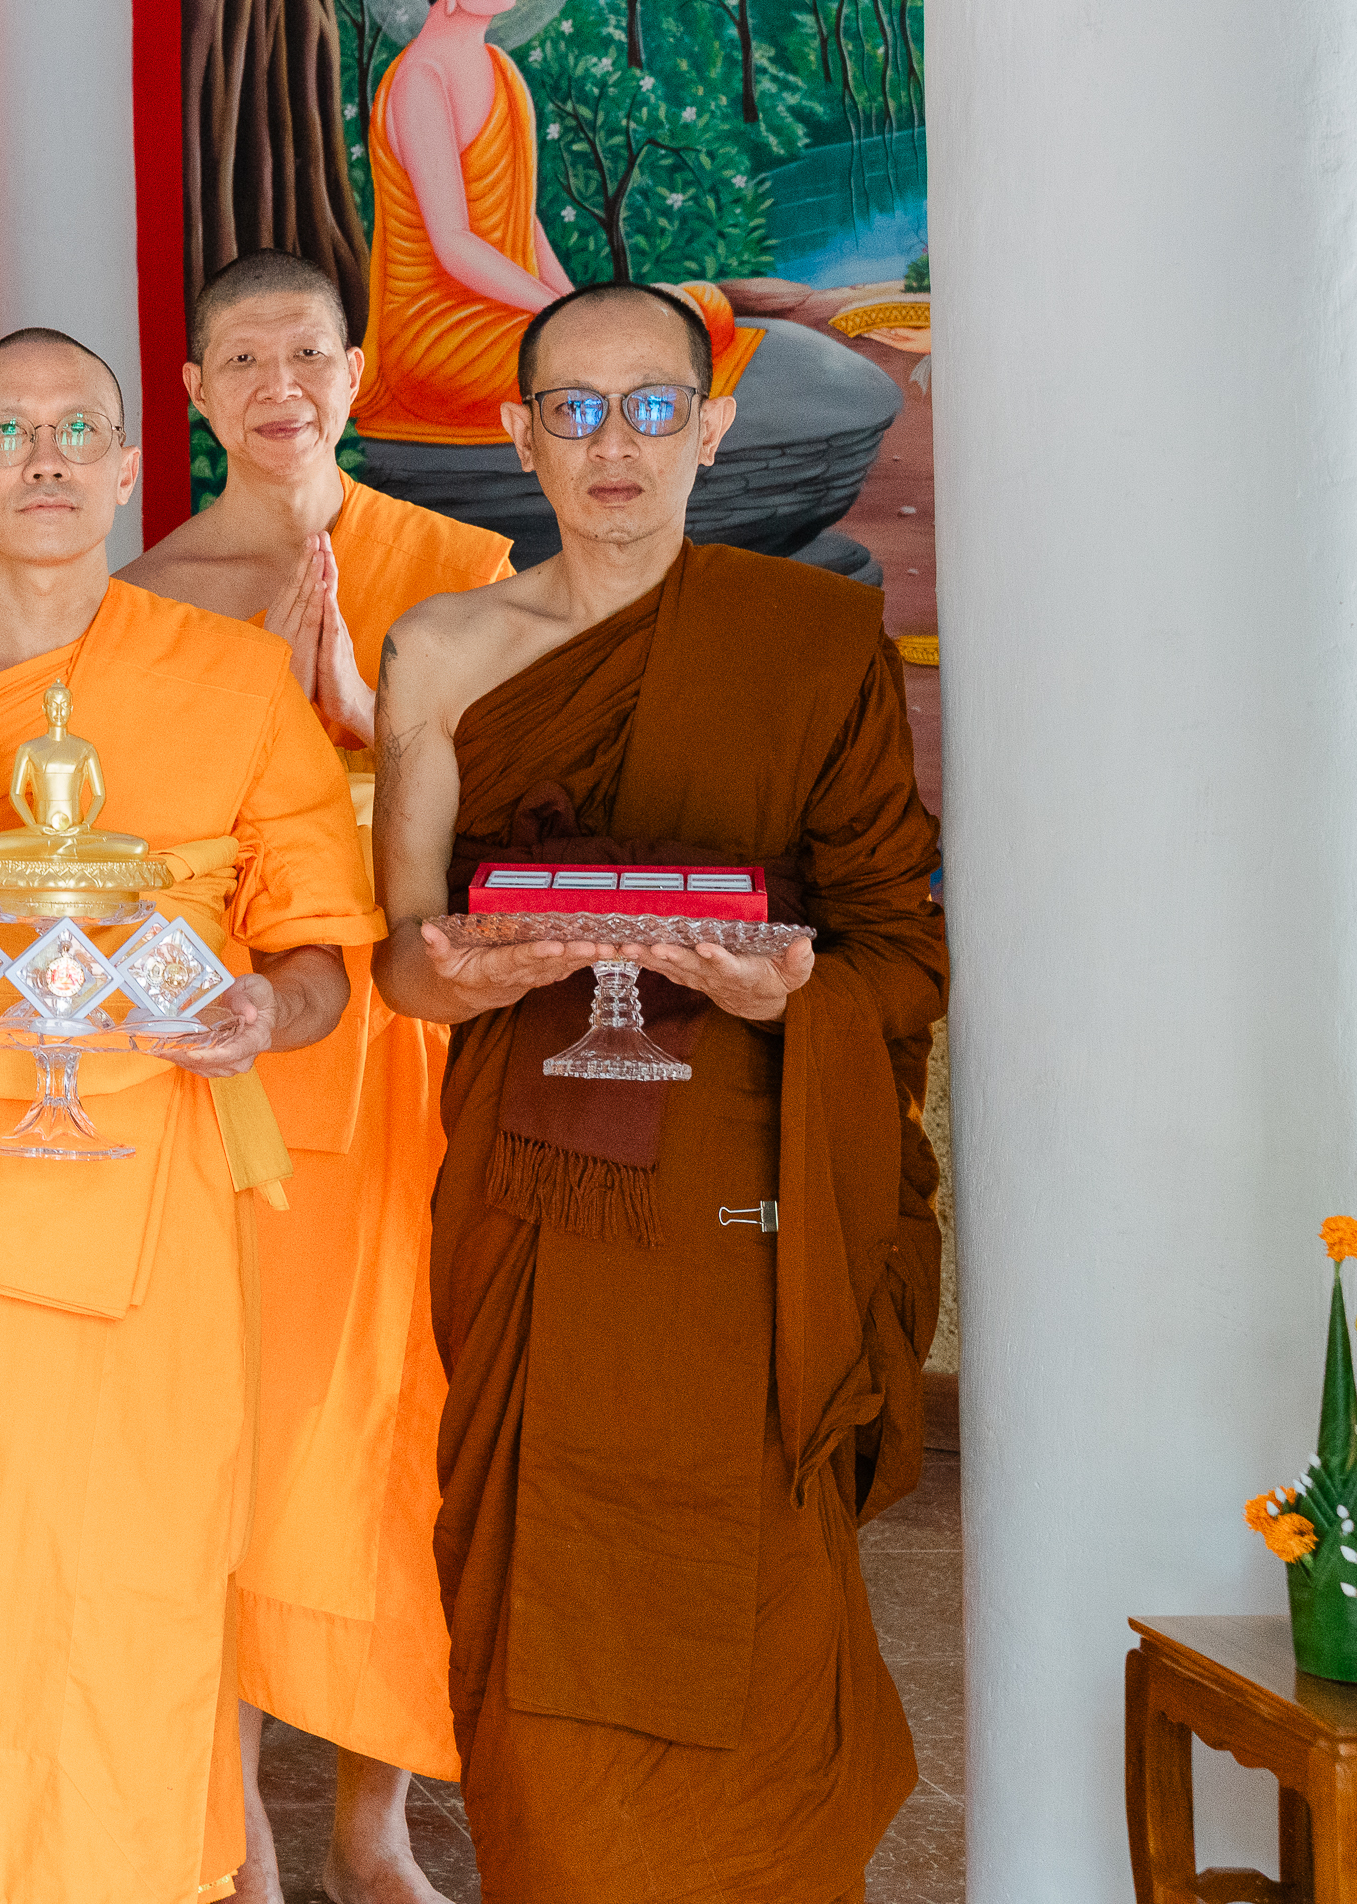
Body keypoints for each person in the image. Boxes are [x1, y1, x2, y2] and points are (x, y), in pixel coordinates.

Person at [0, 327, 379, 1904]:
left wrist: (264, 1013)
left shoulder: (234, 684)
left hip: (161, 1200)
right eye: (7, 433)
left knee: (139, 1571)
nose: (45, 458)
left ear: (123, 472)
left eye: (77, 431)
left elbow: (323, 955)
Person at [372, 283, 944, 1902]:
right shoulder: (444, 646)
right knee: (540, 1678)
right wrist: (455, 973)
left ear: (710, 429)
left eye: (648, 408)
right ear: (516, 432)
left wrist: (798, 989)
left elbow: (902, 942)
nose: (611, 444)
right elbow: (405, 950)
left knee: (750, 1651)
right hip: (532, 1231)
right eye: (573, 407)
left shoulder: (808, 635)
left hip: (737, 1237)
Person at [122, 248, 512, 1904]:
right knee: (237, 1434)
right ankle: (241, 1819)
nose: (280, 383)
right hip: (237, 1066)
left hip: (416, 1050)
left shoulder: (463, 572)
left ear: (356, 372)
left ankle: (377, 1816)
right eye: (241, 357)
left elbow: (511, 839)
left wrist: (370, 714)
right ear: (199, 389)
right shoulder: (140, 588)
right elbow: (119, 850)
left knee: (403, 1427)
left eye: (307, 352)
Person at [354, 0, 758, 449]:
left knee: (703, 310)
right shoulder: (421, 80)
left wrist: (575, 302)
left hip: (514, 316)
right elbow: (455, 245)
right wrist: (559, 315)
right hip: (443, 339)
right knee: (601, 364)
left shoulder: (501, 71)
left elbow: (525, 220)